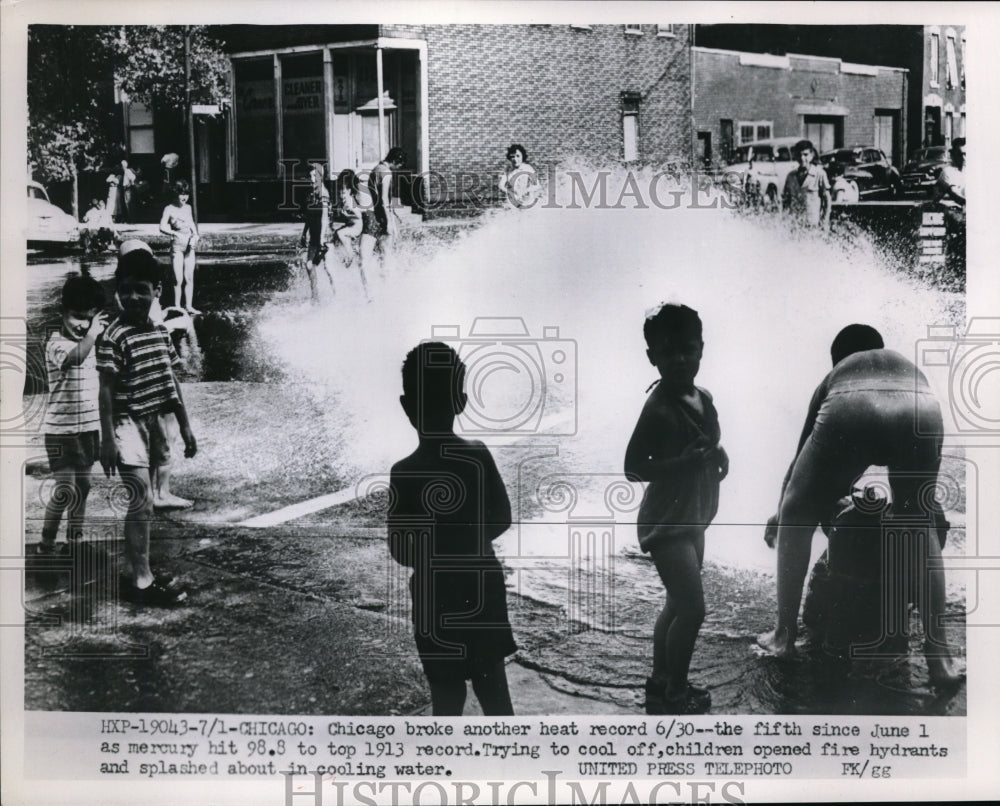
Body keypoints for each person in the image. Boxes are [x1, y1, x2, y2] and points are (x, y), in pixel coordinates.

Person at [757, 325, 963, 689]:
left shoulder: (837, 376)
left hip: (852, 410)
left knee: (797, 513)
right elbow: (929, 508)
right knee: (919, 521)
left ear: (838, 360)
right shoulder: (904, 368)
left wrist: (783, 512)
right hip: (921, 410)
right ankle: (940, 658)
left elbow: (798, 465)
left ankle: (783, 637)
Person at [388, 342, 517, 716]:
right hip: (482, 587)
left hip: (434, 597)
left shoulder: (404, 472)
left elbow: (400, 549)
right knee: (495, 694)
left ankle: (444, 769)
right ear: (460, 401)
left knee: (446, 697)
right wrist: (468, 539)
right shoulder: (477, 454)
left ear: (407, 406)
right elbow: (503, 517)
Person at [624, 303, 730, 715]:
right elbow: (633, 468)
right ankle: (676, 692)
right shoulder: (658, 407)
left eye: (687, 349)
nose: (679, 360)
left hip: (694, 516)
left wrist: (720, 453)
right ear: (652, 356)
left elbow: (708, 438)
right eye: (668, 353)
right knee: (692, 608)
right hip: (666, 522)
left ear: (701, 347)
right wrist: (682, 465)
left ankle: (661, 681)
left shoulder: (702, 397)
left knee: (676, 603)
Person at [97, 242, 197, 606]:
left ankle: (142, 569)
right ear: (117, 291)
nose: (133, 296)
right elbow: (105, 392)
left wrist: (185, 427)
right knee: (140, 501)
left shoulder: (158, 332)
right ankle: (140, 580)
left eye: (142, 289)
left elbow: (171, 383)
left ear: (158, 291)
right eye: (126, 289)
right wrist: (106, 439)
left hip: (153, 420)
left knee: (147, 505)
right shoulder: (112, 337)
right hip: (125, 424)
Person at [37, 275, 109, 556]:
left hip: (88, 428)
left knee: (84, 485)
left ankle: (75, 541)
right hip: (61, 430)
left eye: (89, 319)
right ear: (61, 312)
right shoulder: (56, 343)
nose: (82, 325)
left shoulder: (89, 343)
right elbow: (72, 359)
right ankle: (46, 543)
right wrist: (92, 334)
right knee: (64, 489)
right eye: (77, 317)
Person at [360, 147, 407, 268]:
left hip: (371, 214)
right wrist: (389, 222)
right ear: (396, 161)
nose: (399, 169)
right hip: (381, 216)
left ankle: (375, 281)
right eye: (400, 165)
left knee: (374, 254)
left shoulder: (375, 169)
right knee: (386, 254)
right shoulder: (386, 172)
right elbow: (384, 199)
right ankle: (386, 282)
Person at [160, 180, 201, 314]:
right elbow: (162, 226)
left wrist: (195, 235)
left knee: (189, 277)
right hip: (177, 246)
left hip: (189, 245)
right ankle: (177, 307)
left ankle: (188, 306)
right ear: (176, 194)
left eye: (186, 194)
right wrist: (173, 232)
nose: (184, 197)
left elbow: (191, 223)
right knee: (178, 278)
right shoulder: (169, 208)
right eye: (181, 194)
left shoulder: (188, 207)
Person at [297, 162, 336, 301]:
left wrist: (321, 239)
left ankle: (337, 294)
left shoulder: (323, 193)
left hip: (324, 236)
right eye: (310, 176)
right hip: (314, 235)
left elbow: (325, 217)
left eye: (315, 176)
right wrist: (303, 234)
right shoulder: (311, 194)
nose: (312, 179)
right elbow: (308, 217)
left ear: (321, 176)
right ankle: (315, 296)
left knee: (329, 268)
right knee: (309, 265)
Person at [331, 169, 368, 299]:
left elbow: (359, 215)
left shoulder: (351, 201)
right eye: (340, 191)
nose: (341, 194)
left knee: (341, 233)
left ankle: (350, 253)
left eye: (343, 191)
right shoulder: (345, 200)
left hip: (357, 226)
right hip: (351, 225)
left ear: (350, 190)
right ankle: (344, 255)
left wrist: (348, 213)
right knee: (337, 234)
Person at [782, 139, 831, 228]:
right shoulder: (791, 176)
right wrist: (785, 220)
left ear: (812, 155)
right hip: (795, 224)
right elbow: (786, 200)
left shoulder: (819, 174)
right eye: (799, 155)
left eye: (805, 155)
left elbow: (827, 200)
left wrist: (824, 221)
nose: (802, 158)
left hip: (813, 224)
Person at [498, 143, 540, 208]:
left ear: (522, 156)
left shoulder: (528, 168)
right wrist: (510, 193)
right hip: (512, 200)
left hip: (526, 200)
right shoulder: (507, 170)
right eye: (512, 156)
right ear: (509, 158)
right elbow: (501, 185)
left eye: (518, 156)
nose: (515, 159)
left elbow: (538, 186)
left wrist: (527, 190)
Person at [935, 137, 965, 207]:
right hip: (954, 212)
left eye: (966, 154)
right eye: (960, 154)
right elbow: (954, 194)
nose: (964, 158)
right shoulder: (947, 172)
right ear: (953, 155)